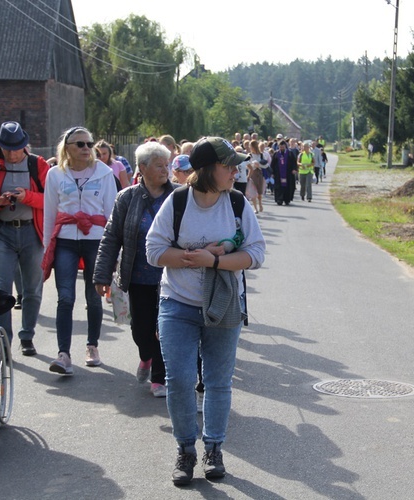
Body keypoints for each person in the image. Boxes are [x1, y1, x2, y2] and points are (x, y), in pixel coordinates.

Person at [146, 136, 266, 485]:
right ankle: (186, 450)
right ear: (207, 169)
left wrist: (213, 260)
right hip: (177, 304)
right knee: (180, 380)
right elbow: (154, 251)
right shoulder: (178, 202)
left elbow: (256, 254)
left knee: (217, 381)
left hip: (224, 306)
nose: (235, 170)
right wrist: (189, 258)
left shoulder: (239, 203)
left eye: (235, 165)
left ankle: (213, 448)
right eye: (228, 165)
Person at [94, 141, 175, 397]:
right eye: (159, 165)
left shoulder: (178, 197)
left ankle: (159, 379)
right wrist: (102, 274)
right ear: (143, 167)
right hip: (138, 277)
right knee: (141, 329)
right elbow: (111, 238)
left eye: (167, 164)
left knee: (165, 328)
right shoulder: (126, 198)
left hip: (171, 278)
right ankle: (146, 357)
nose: (165, 170)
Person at [42, 127, 116, 375]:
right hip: (65, 239)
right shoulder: (55, 175)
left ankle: (92, 346)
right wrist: (46, 247)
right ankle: (63, 354)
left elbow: (112, 214)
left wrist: (115, 251)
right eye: (80, 144)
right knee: (65, 297)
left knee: (94, 296)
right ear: (67, 148)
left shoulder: (104, 174)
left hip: (96, 239)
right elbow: (49, 213)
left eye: (89, 143)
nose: (87, 148)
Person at [0, 122, 49, 356]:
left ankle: (27, 336)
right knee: (2, 289)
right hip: (3, 233)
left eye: (17, 148)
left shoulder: (37, 164)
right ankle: (4, 341)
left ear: (24, 145)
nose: (13, 153)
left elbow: (51, 201)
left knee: (32, 288)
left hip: (32, 233)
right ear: (0, 146)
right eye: (7, 149)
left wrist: (27, 197)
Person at [270, 140, 297, 206]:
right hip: (278, 174)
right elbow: (272, 164)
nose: (281, 148)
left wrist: (294, 169)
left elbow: (294, 162)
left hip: (288, 173)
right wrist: (272, 173)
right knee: (279, 187)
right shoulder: (276, 154)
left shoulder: (290, 153)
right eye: (280, 147)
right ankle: (279, 199)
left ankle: (287, 200)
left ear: (285, 146)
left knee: (288, 187)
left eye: (283, 147)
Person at [247, 140, 266, 213]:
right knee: (252, 191)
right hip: (252, 173)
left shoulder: (261, 155)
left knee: (259, 191)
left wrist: (259, 165)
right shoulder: (249, 155)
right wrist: (253, 165)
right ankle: (255, 208)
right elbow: (247, 165)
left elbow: (265, 165)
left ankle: (260, 203)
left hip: (259, 173)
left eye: (250, 146)